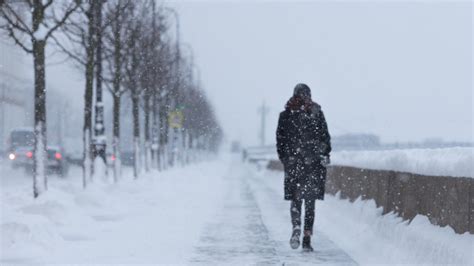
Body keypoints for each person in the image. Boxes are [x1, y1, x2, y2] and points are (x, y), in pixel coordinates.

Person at [276, 83, 331, 252]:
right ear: (309, 95)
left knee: (296, 198)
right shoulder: (316, 113)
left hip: (294, 164)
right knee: (310, 201)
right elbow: (326, 138)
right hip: (313, 164)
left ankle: (296, 227)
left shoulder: (285, 115)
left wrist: (286, 159)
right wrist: (323, 153)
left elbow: (280, 140)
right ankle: (307, 237)